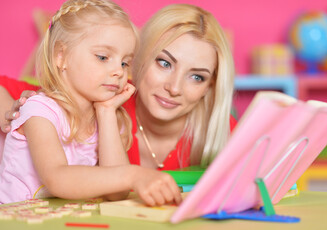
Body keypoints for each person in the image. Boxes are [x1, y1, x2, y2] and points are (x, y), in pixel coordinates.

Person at [0, 4, 236, 174]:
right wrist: (12, 117)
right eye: (164, 63)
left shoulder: (222, 129)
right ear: (141, 58)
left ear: (210, 86)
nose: (174, 88)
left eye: (196, 77)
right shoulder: (99, 91)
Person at [0, 0, 181, 206]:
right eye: (103, 57)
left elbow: (117, 194)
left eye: (124, 62)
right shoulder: (39, 111)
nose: (119, 71)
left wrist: (106, 112)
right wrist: (133, 175)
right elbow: (57, 178)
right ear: (61, 56)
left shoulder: (106, 118)